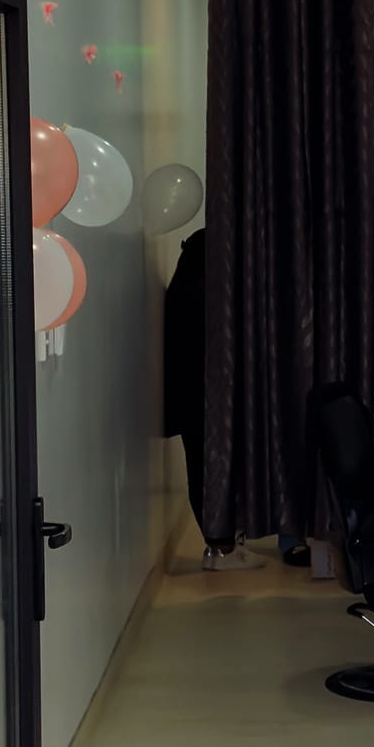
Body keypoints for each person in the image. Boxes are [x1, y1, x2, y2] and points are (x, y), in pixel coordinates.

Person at [161, 227, 253, 571]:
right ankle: (220, 548)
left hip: (190, 403)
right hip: (205, 403)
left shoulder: (182, 289)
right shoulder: (202, 295)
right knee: (210, 471)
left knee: (199, 469)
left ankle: (218, 545)